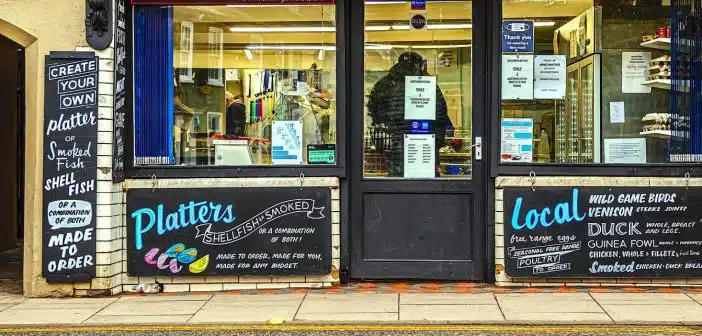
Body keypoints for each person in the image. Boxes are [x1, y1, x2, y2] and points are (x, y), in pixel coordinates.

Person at [367, 51, 449, 177]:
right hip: (424, 142)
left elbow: (373, 115)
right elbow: (441, 115)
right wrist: (437, 142)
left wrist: (381, 144)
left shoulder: (383, 85)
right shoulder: (427, 83)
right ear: (419, 64)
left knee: (396, 181)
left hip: (393, 144)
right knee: (425, 178)